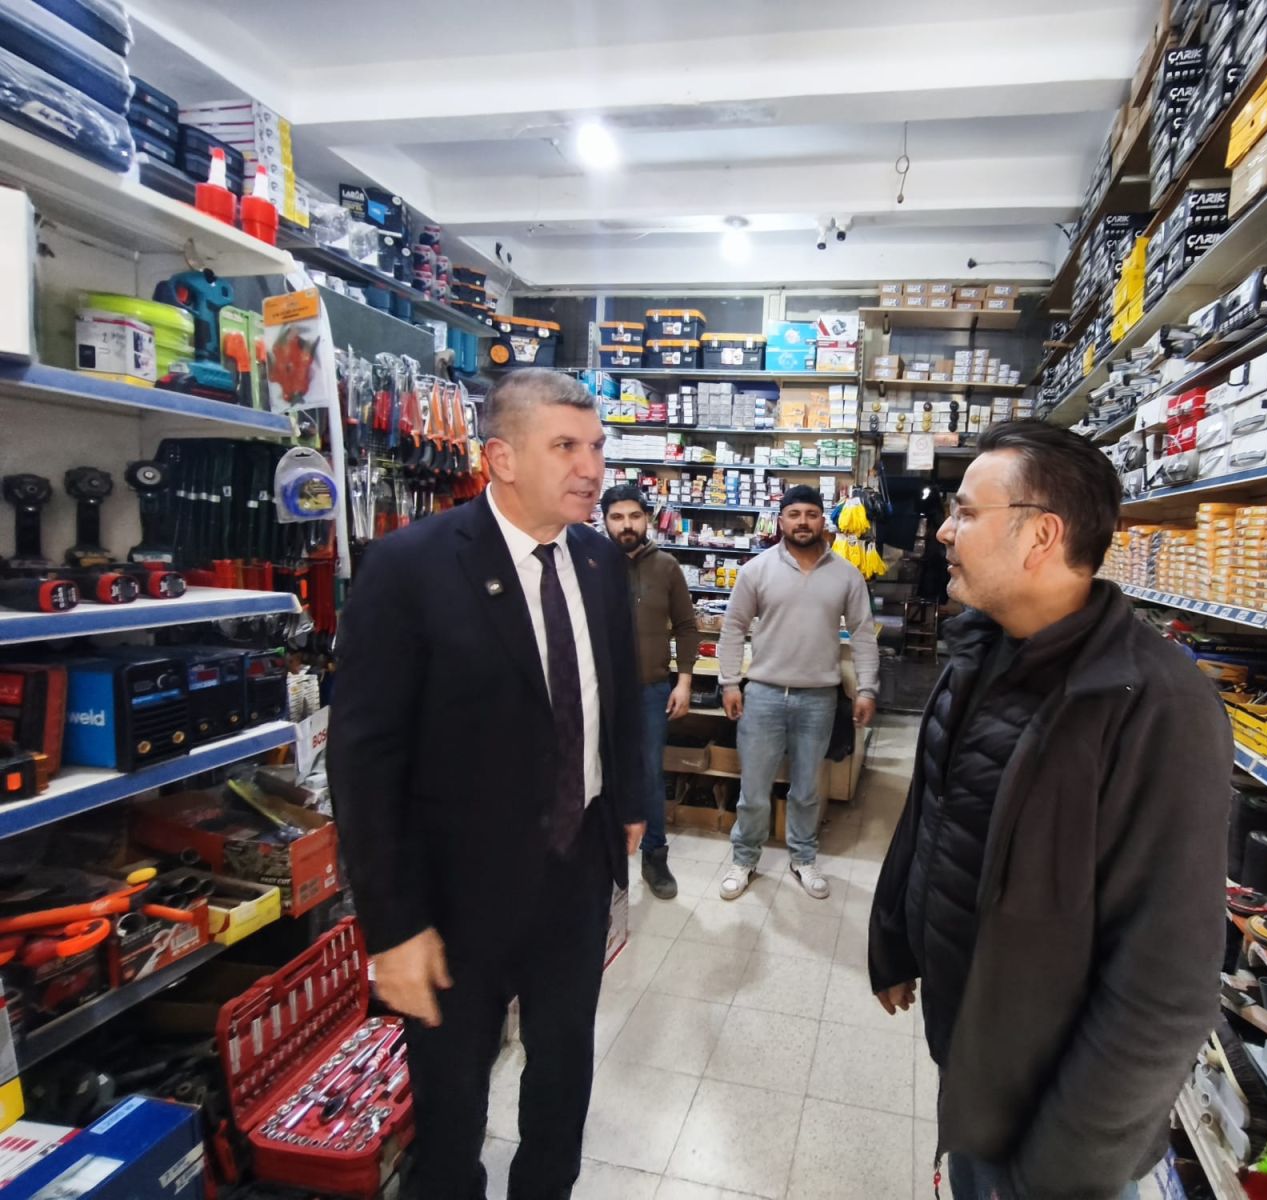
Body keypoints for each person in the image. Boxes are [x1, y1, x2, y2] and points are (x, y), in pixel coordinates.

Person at [867, 419, 1231, 1200]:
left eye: (966, 513)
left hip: (1055, 1127)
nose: (944, 531)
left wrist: (1057, 1175)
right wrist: (894, 937)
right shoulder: (980, 652)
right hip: (975, 1056)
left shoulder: (1156, 706)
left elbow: (1164, 989)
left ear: (1041, 536)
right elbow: (932, 813)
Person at [329, 368, 644, 1200]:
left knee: (563, 1071)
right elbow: (364, 760)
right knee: (452, 1096)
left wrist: (631, 804)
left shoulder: (598, 560)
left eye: (597, 447)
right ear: (502, 458)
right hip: (456, 895)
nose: (591, 468)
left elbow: (618, 693)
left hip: (575, 874)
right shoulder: (409, 567)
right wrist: (393, 927)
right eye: (566, 447)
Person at [717, 484, 879, 901]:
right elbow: (733, 628)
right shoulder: (756, 570)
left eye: (810, 514)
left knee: (807, 789)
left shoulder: (846, 573)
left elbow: (863, 634)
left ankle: (803, 858)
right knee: (754, 790)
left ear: (823, 520)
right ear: (781, 521)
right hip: (764, 695)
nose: (802, 522)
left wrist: (867, 688)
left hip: (818, 698)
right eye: (794, 514)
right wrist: (730, 681)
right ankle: (745, 859)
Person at [601, 483, 700, 899]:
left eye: (634, 516)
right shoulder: (590, 563)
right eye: (617, 517)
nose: (626, 525)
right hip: (599, 693)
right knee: (597, 774)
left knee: (648, 776)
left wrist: (684, 680)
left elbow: (687, 626)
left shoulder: (667, 566)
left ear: (647, 519)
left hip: (650, 690)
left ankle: (655, 857)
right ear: (604, 521)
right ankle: (602, 858)